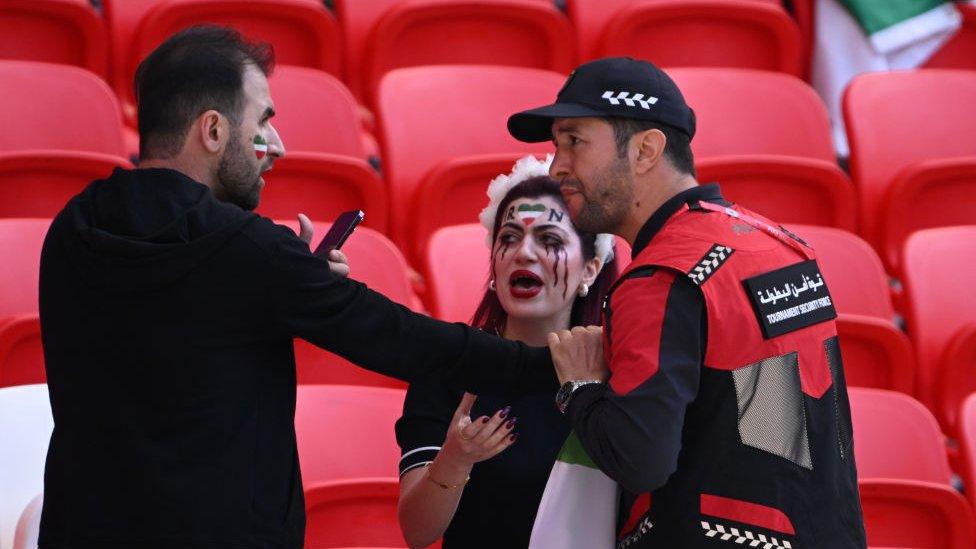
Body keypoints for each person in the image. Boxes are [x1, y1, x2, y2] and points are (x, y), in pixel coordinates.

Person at [37, 26, 561, 549]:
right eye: (263, 120)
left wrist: (289, 288)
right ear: (213, 131)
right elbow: (400, 338)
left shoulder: (72, 230)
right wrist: (554, 365)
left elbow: (179, 332)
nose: (278, 146)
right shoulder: (250, 253)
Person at [509, 57, 867, 547]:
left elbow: (640, 460)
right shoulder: (778, 246)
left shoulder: (661, 276)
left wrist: (580, 386)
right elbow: (776, 432)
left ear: (647, 150)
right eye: (556, 146)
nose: (557, 167)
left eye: (574, 141)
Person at [395, 155, 618, 548]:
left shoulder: (620, 369)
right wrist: (455, 458)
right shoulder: (450, 364)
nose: (523, 253)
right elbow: (417, 532)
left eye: (549, 240)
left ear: (590, 269)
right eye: (509, 238)